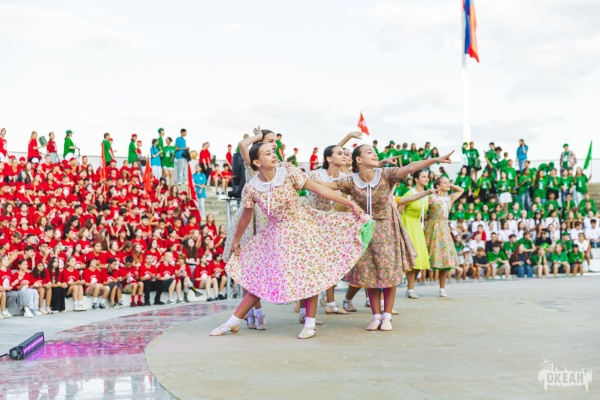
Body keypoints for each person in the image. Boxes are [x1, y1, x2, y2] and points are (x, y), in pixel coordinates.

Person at [211, 142, 370, 339]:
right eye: (267, 153)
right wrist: (236, 240)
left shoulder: (289, 174)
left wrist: (350, 204)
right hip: (275, 234)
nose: (274, 155)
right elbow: (245, 215)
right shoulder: (251, 188)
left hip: (301, 227)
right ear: (257, 162)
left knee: (309, 273)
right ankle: (233, 322)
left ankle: (310, 323)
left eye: (273, 152)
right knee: (260, 276)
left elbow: (320, 190)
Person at [328, 145, 452, 331]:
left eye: (374, 151)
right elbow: (325, 187)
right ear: (359, 160)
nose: (375, 154)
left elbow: (411, 167)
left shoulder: (385, 174)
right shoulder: (351, 181)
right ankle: (376, 316)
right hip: (366, 230)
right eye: (369, 152)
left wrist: (436, 159)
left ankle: (387, 316)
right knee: (369, 273)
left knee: (389, 273)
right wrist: (296, 177)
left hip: (388, 229)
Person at [397, 170, 435, 299]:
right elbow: (399, 211)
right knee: (411, 258)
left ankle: (410, 288)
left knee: (420, 258)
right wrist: (401, 229)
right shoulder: (410, 193)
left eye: (427, 177)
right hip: (408, 225)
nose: (427, 179)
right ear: (416, 179)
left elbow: (423, 214)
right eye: (423, 177)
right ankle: (410, 288)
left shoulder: (426, 195)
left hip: (418, 227)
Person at [424, 177, 464, 296]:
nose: (448, 184)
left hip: (445, 229)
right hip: (433, 227)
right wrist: (430, 219)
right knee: (425, 256)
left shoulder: (449, 198)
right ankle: (411, 287)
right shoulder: (431, 197)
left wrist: (450, 184)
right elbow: (423, 211)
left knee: (445, 258)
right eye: (444, 183)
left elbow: (461, 190)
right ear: (438, 186)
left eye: (448, 182)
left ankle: (442, 288)